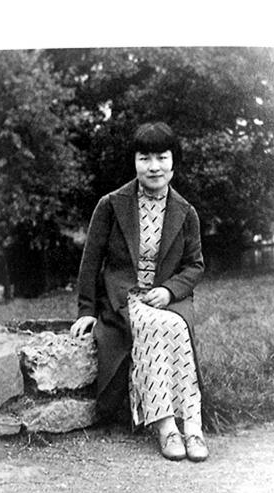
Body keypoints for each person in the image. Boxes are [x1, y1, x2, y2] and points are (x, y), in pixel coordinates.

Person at [70, 122, 208, 462]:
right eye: (144, 158)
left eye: (162, 157)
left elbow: (194, 265)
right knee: (154, 324)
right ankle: (167, 427)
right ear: (134, 162)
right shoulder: (111, 205)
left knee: (174, 325)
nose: (153, 166)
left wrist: (169, 291)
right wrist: (86, 311)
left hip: (167, 299)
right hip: (124, 297)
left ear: (174, 162)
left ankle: (193, 426)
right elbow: (91, 262)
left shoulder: (186, 212)